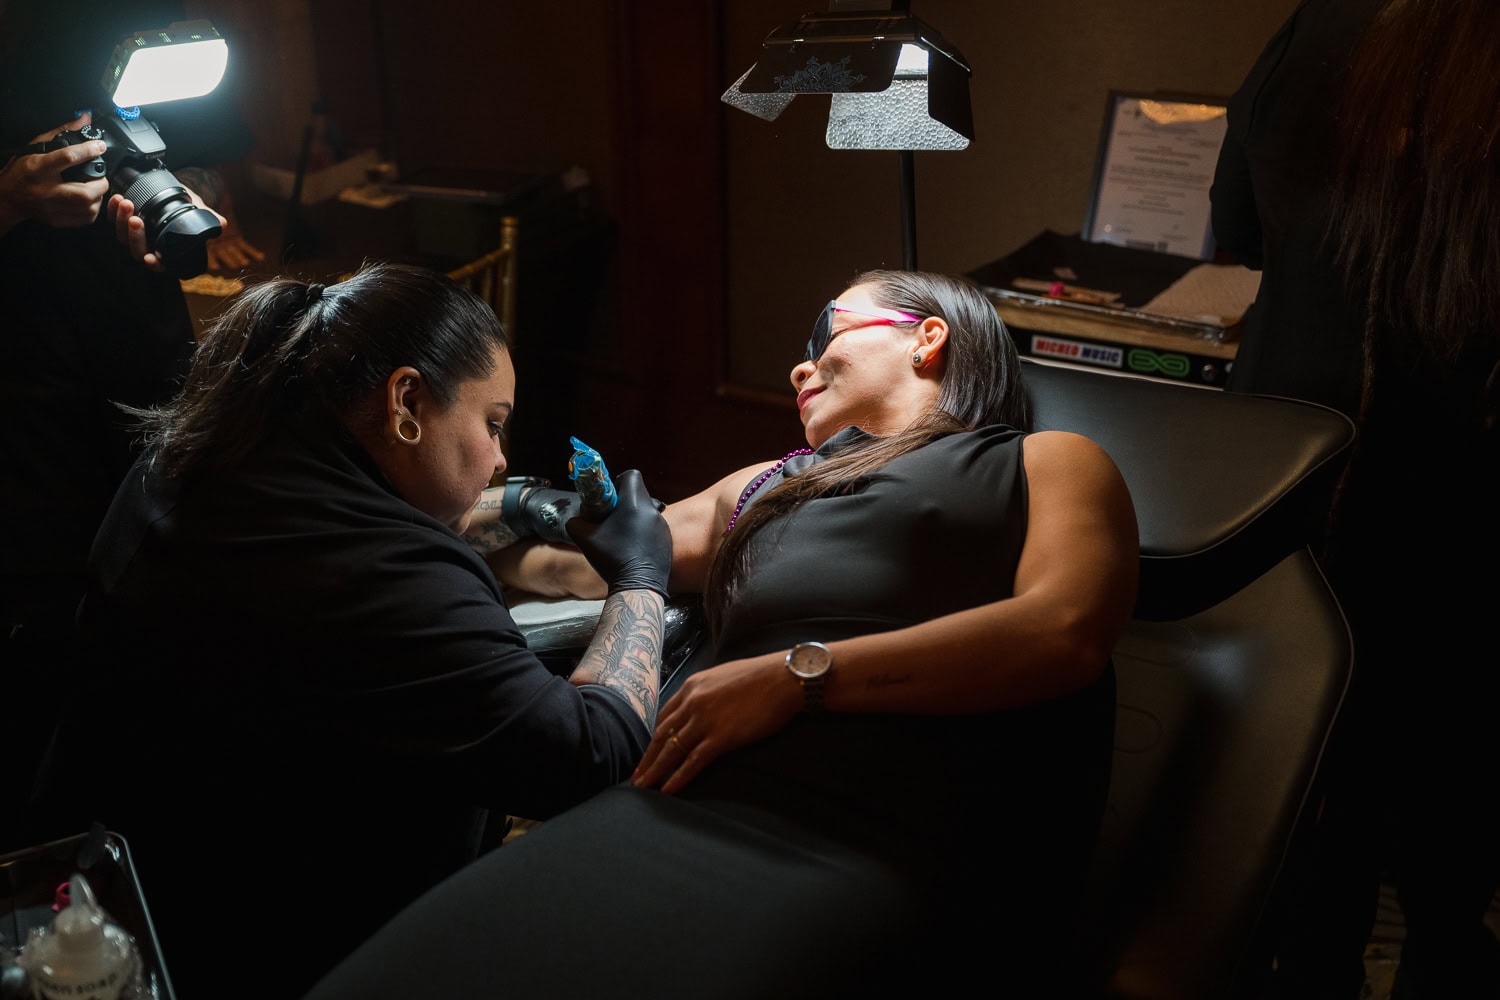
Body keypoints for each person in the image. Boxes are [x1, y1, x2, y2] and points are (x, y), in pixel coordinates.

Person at [304, 269, 1140, 999]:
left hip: (863, 841)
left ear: (928, 337)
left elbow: (1063, 633)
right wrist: (513, 509)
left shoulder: (1043, 462)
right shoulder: (770, 487)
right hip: (665, 810)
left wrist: (798, 675)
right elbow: (575, 563)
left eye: (830, 328)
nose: (799, 364)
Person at [23, 262, 673, 999]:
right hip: (265, 951)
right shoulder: (379, 578)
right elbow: (596, 751)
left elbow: (386, 523)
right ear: (407, 400)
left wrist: (522, 506)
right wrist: (641, 578)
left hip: (120, 882)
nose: (499, 457)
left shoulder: (199, 460)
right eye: (492, 424)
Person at [1210, 1, 1500, 997]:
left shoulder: (1318, 29)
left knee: (1311, 752)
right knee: (1449, 755)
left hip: (1297, 455)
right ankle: (1442, 944)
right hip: (1462, 474)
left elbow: (1239, 229)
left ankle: (1315, 956)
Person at [0, 0, 262, 830]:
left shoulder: (149, 20)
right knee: (55, 628)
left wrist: (174, 197)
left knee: (178, 557)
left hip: (140, 345)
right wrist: (7, 199)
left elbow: (208, 154)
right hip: (23, 387)